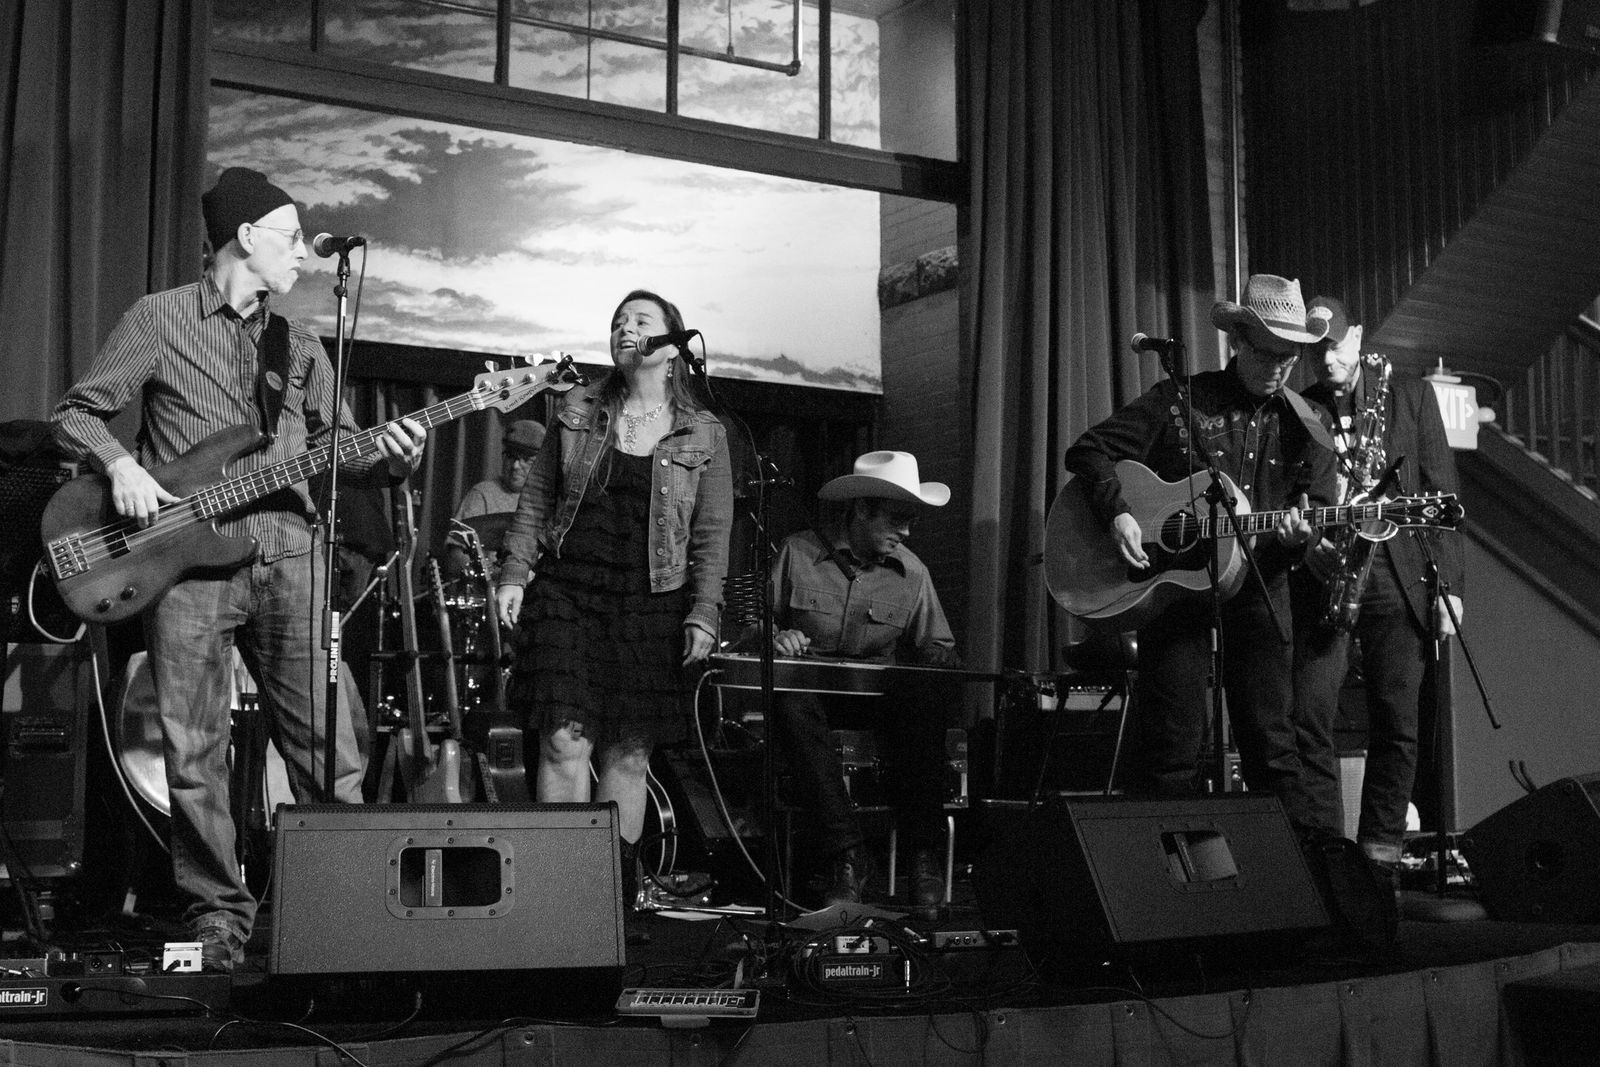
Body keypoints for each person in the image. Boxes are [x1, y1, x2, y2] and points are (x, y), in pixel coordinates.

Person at [51, 167, 427, 972]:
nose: (303, 254)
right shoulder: (159, 318)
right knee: (194, 754)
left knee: (330, 749)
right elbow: (77, 412)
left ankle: (341, 911)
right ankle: (219, 916)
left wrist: (392, 456)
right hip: (186, 567)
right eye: (291, 237)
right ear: (247, 236)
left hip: (292, 556)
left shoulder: (303, 345)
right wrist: (120, 463)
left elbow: (340, 453)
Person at [1061, 274, 1338, 836]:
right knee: (1172, 749)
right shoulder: (1183, 400)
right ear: (1238, 341)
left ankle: (1290, 874)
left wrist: (1300, 538)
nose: (1279, 367)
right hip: (1177, 590)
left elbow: (1319, 507)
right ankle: (1174, 876)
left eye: (1289, 357)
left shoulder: (1309, 423)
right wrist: (1118, 512)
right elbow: (1089, 450)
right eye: (1268, 353)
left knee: (1273, 746)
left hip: (1260, 584)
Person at [494, 289, 732, 906]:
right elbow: (537, 498)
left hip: (651, 600)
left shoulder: (704, 431)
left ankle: (608, 900)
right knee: (562, 740)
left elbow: (712, 534)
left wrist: (704, 611)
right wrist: (514, 572)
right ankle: (555, 893)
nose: (625, 328)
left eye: (641, 321)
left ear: (673, 345)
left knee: (628, 753)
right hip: (569, 589)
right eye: (618, 321)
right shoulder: (577, 408)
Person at [1289, 296, 1465, 875]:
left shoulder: (1410, 396)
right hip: (1329, 576)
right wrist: (1308, 543)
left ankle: (1378, 864)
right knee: (1309, 719)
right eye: (1317, 350)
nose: (1327, 360)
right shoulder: (1299, 407)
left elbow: (1442, 493)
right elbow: (1291, 496)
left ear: (1359, 336)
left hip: (1397, 571)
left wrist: (1451, 588)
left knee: (1398, 723)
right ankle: (1326, 863)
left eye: (1336, 346)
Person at [768, 450, 958, 916]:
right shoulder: (797, 553)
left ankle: (922, 857)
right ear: (860, 511)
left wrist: (937, 665)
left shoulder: (913, 573)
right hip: (810, 696)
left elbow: (938, 645)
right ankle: (847, 855)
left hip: (876, 700)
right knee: (789, 700)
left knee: (924, 700)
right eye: (897, 520)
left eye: (911, 521)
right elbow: (752, 624)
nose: (906, 532)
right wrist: (776, 636)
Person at [442, 418, 545, 580]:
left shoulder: (546, 502)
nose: (515, 466)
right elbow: (456, 558)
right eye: (510, 456)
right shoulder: (482, 494)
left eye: (526, 460)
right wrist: (492, 576)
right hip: (493, 588)